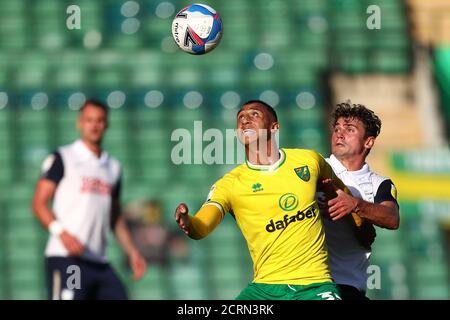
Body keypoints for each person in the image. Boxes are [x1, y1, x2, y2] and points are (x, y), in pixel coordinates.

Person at [174, 100, 362, 300]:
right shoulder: (229, 184)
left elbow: (343, 195)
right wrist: (188, 222)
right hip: (263, 291)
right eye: (240, 118)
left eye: (254, 115)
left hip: (314, 287)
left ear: (274, 127)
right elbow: (201, 226)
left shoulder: (309, 161)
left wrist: (360, 227)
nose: (245, 120)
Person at [32, 99, 147, 300]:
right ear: (79, 123)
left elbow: (114, 216)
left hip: (98, 261)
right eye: (89, 120)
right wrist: (62, 234)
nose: (94, 125)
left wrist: (132, 251)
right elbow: (39, 203)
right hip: (68, 259)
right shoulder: (64, 158)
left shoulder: (112, 167)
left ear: (107, 124)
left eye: (100, 120)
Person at [318, 101, 400, 300]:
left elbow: (392, 218)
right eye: (336, 128)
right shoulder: (316, 167)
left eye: (350, 129)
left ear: (368, 142)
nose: (340, 133)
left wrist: (355, 204)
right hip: (308, 282)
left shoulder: (379, 184)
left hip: (347, 286)